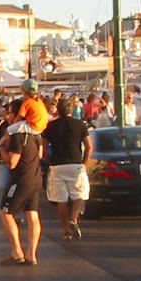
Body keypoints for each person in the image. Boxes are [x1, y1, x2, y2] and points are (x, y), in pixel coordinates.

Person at [0, 98, 44, 265]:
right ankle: (32, 254)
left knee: (5, 212)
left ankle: (17, 250)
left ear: (17, 115)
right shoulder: (35, 133)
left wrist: (2, 147)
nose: (8, 116)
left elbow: (12, 162)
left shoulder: (17, 134)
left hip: (21, 179)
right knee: (32, 214)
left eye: (10, 112)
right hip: (36, 178)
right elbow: (39, 155)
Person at [43, 98, 93, 240]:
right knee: (80, 194)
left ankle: (66, 231)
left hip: (57, 165)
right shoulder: (80, 125)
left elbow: (44, 147)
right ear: (72, 110)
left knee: (61, 200)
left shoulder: (50, 126)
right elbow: (89, 146)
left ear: (58, 109)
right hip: (75, 163)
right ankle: (74, 218)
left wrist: (49, 160)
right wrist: (84, 162)